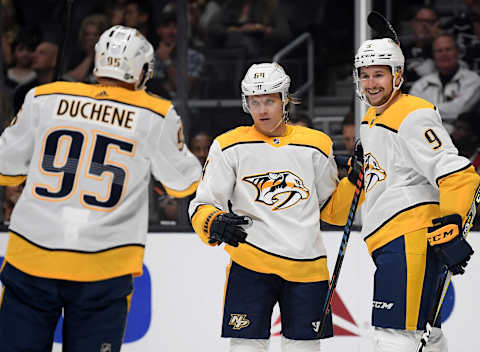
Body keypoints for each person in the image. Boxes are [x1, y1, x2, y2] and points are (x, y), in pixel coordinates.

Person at [0, 25, 202, 351]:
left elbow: (5, 168)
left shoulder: (44, 97)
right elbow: (182, 184)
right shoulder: (156, 114)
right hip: (104, 266)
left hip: (32, 258)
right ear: (141, 70)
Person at [189, 62, 358, 352]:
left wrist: (354, 182)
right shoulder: (227, 145)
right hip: (250, 265)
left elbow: (333, 211)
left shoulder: (316, 145)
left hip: (307, 268)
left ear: (284, 99)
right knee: (245, 348)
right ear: (246, 104)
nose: (263, 110)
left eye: (269, 100)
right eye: (255, 102)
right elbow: (203, 203)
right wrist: (213, 222)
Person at [353, 36, 479, 350]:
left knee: (393, 335)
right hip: (392, 238)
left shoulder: (412, 113)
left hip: (408, 237)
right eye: (365, 74)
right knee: (427, 334)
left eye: (379, 74)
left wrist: (452, 222)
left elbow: (458, 172)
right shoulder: (372, 117)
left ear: (397, 75)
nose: (371, 83)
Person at [409, 33, 480, 120]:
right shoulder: (421, 85)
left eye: (448, 49)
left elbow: (459, 110)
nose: (444, 54)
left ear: (458, 52)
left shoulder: (473, 80)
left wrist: (424, 110)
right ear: (433, 55)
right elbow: (412, 112)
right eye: (439, 51)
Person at [147, 3, 205, 99]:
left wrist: (167, 61)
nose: (171, 31)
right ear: (159, 30)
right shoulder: (148, 58)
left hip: (186, 112)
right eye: (166, 26)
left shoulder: (195, 57)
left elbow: (184, 89)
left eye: (176, 26)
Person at [401, 6, 440, 90]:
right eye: (419, 21)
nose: (424, 25)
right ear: (413, 24)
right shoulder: (402, 52)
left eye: (429, 22)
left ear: (437, 24)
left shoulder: (443, 51)